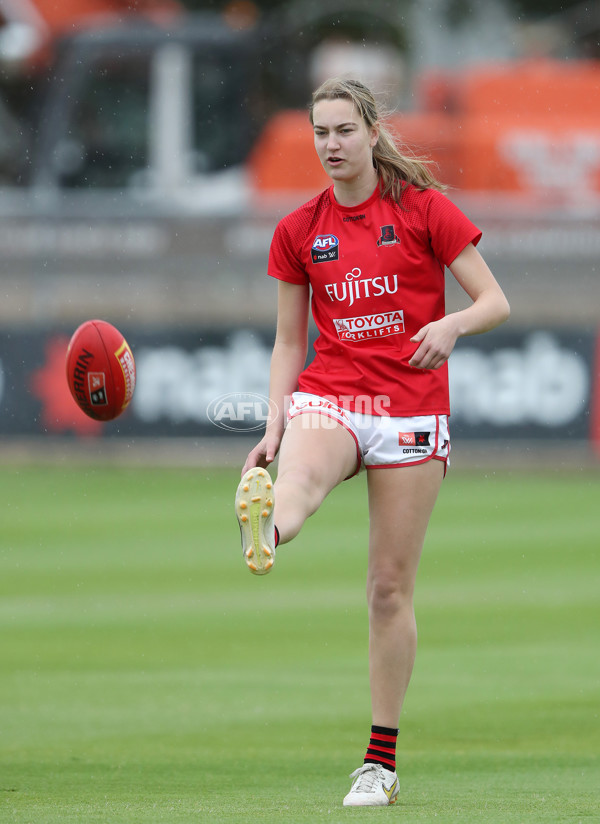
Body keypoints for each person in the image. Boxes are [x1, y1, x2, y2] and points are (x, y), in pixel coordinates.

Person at [235, 77, 510, 807]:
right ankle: (268, 522)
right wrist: (272, 423)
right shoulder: (299, 230)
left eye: (343, 131)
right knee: (299, 477)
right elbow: (290, 339)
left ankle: (379, 764)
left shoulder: (422, 211)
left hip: (412, 409)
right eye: (321, 132)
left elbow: (495, 301)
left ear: (371, 132)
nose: (331, 145)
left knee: (387, 589)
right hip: (336, 393)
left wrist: (451, 326)